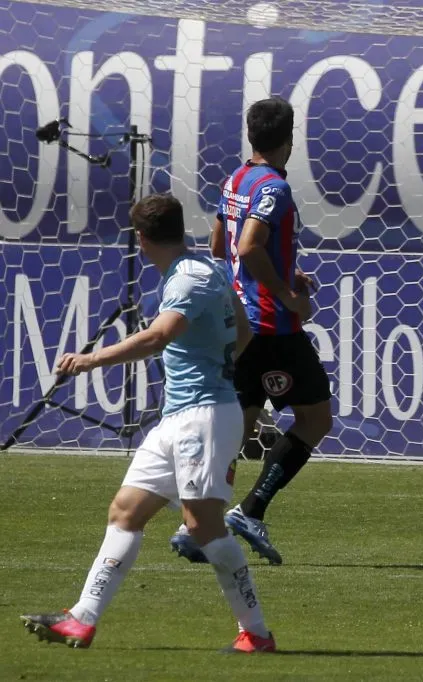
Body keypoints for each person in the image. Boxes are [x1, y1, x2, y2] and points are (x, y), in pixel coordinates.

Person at [20, 194, 275, 653]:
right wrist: (218, 363)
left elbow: (158, 336)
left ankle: (256, 632)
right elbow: (245, 329)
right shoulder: (209, 270)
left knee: (203, 526)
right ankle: (82, 618)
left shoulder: (186, 282)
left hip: (203, 417)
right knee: (125, 510)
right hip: (180, 416)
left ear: (140, 239)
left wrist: (89, 359)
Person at [170, 96, 332, 566]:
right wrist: (286, 294)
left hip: (239, 321)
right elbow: (248, 244)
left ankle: (195, 525)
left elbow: (221, 245)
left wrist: (268, 275)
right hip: (272, 327)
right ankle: (251, 510)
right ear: (290, 139)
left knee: (235, 428)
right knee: (315, 419)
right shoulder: (275, 188)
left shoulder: (236, 179)